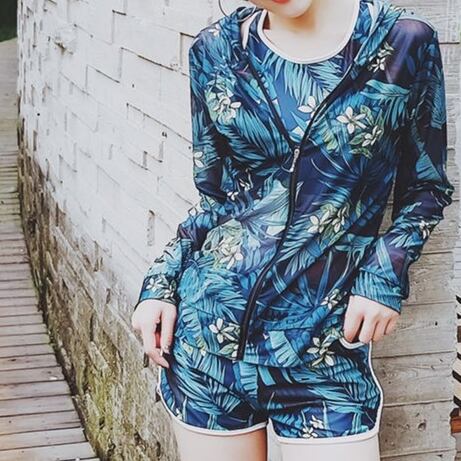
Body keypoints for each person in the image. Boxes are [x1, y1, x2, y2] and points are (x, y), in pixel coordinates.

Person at [131, 0, 454, 459]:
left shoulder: (402, 42)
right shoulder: (214, 51)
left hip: (322, 348)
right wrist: (160, 285)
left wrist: (383, 275)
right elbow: (218, 199)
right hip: (208, 345)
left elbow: (426, 188)